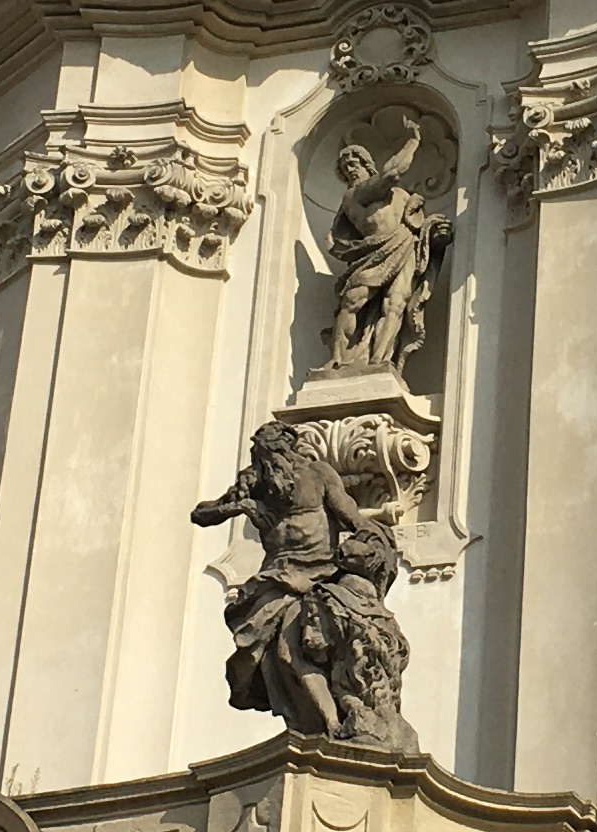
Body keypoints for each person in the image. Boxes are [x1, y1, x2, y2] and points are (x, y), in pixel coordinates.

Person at [191, 423, 418, 751]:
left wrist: (369, 543)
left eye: (272, 453)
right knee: (282, 656)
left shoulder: (318, 474)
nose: (268, 461)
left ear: (286, 449)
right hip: (276, 577)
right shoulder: (257, 481)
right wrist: (239, 506)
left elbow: (352, 517)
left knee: (296, 650)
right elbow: (201, 514)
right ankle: (324, 722)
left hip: (321, 572)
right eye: (261, 455)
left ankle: (336, 721)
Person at [322, 122, 451, 376]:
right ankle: (337, 360)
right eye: (345, 168)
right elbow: (392, 174)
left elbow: (414, 222)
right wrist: (412, 142)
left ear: (367, 164)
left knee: (396, 303)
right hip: (373, 251)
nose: (350, 170)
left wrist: (433, 232)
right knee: (353, 299)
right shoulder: (354, 194)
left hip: (404, 243)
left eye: (354, 164)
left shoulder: (394, 192)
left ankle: (380, 361)